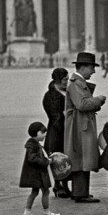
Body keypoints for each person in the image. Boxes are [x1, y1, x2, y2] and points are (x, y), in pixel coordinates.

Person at [64, 52, 106, 203]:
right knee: (81, 158)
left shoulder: (78, 82)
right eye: (91, 68)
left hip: (81, 125)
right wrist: (98, 100)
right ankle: (80, 193)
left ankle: (81, 192)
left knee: (83, 158)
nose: (93, 71)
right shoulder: (75, 83)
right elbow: (81, 104)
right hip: (79, 127)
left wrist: (95, 103)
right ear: (83, 67)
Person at [19, 121, 60, 215]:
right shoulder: (34, 145)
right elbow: (33, 159)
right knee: (45, 191)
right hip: (38, 174)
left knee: (34, 192)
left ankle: (27, 213)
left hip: (34, 174)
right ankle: (46, 213)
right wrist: (46, 161)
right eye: (43, 132)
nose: (45, 135)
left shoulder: (33, 144)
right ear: (37, 133)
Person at [42, 67, 71, 198]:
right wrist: (67, 116)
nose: (67, 81)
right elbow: (55, 117)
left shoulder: (67, 92)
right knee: (57, 159)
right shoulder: (49, 96)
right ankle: (58, 185)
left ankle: (65, 185)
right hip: (56, 131)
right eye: (65, 79)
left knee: (66, 159)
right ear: (58, 80)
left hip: (67, 129)